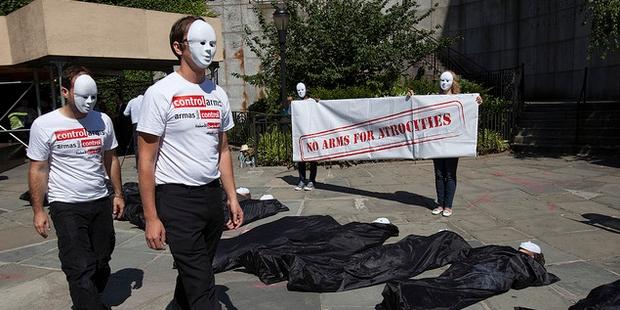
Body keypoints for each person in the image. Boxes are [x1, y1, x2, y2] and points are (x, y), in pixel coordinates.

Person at [137, 16, 243, 310]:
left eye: (212, 43)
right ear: (178, 48)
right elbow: (145, 160)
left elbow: (222, 149)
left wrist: (232, 197)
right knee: (201, 285)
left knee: (194, 274)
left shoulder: (217, 94)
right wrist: (151, 217)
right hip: (176, 199)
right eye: (200, 43)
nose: (208, 49)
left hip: (210, 197)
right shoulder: (160, 93)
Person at [27, 65, 124, 310]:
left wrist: (118, 194)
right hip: (66, 204)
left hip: (99, 200)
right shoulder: (45, 124)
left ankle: (89, 293)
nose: (90, 102)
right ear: (65, 92)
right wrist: (38, 210)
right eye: (83, 96)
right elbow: (38, 168)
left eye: (94, 96)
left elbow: (110, 159)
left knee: (101, 259)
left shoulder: (103, 121)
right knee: (79, 265)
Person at [409, 71, 481, 217]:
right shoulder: (434, 98)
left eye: (447, 80)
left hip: (453, 143)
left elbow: (470, 109)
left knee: (449, 174)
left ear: (453, 82)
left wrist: (477, 100)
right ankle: (440, 204)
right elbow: (419, 105)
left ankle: (448, 205)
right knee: (439, 174)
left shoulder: (460, 99)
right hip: (437, 143)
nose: (444, 83)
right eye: (441, 80)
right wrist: (411, 97)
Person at [293, 82, 318, 191]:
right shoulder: (296, 104)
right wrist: (289, 104)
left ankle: (312, 180)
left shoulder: (312, 101)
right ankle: (302, 180)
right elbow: (288, 114)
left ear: (306, 89)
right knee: (301, 159)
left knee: (313, 159)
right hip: (301, 135)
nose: (300, 92)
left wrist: (319, 103)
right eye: (298, 90)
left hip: (312, 134)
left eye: (302, 89)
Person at [123, 94, 143, 168]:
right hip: (145, 123)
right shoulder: (146, 100)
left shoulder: (132, 101)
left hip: (135, 124)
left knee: (136, 145)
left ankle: (138, 164)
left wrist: (133, 113)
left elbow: (125, 113)